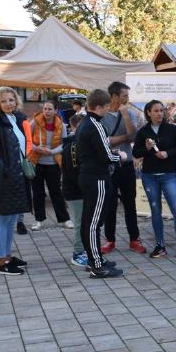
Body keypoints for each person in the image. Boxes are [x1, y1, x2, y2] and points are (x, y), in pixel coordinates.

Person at [132, 100, 176, 261]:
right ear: (148, 113)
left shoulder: (171, 129)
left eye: (161, 110)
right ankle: (160, 245)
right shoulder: (143, 131)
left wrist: (167, 154)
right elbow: (136, 152)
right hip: (149, 176)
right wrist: (146, 148)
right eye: (156, 111)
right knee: (155, 212)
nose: (160, 113)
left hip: (169, 175)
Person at [76, 89, 127, 278]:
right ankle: (96, 264)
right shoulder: (95, 124)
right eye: (106, 107)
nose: (107, 110)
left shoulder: (84, 123)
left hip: (89, 176)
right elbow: (105, 155)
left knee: (91, 221)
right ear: (98, 107)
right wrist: (119, 156)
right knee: (93, 223)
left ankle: (95, 259)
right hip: (96, 177)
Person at [0, 87, 32, 275]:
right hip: (3, 178)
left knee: (11, 219)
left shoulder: (17, 119)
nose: (8, 103)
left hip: (17, 177)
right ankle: (1, 261)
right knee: (3, 219)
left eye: (11, 100)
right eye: (4, 101)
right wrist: (5, 169)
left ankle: (7, 255)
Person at [100, 82, 147, 254]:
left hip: (126, 166)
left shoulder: (130, 113)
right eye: (124, 96)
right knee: (110, 205)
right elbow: (105, 141)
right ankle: (109, 240)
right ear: (113, 96)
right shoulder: (103, 115)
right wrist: (123, 137)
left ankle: (134, 239)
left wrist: (126, 116)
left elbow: (133, 135)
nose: (127, 99)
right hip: (109, 166)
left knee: (130, 204)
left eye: (127, 96)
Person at [29, 100, 73, 231]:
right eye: (45, 109)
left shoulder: (62, 125)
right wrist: (36, 148)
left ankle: (65, 219)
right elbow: (27, 141)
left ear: (56, 110)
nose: (46, 112)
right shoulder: (34, 122)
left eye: (49, 109)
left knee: (56, 192)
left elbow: (64, 144)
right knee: (38, 192)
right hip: (37, 162)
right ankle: (38, 220)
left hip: (53, 162)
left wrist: (52, 151)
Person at [62, 113, 88, 267]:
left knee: (84, 221)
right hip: (75, 190)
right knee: (80, 222)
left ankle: (83, 250)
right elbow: (74, 171)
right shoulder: (73, 145)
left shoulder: (78, 143)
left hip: (79, 188)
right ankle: (77, 252)